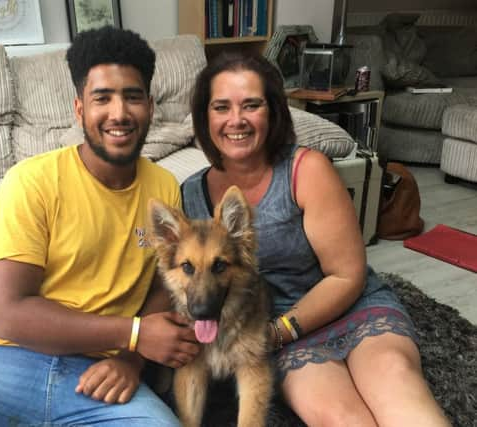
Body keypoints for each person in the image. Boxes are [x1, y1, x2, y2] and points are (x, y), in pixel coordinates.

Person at [0, 26, 199, 427]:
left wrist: (131, 360)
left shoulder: (164, 187)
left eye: (132, 97)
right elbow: (8, 314)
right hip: (4, 357)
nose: (119, 113)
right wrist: (133, 335)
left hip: (102, 373)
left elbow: (161, 284)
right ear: (80, 109)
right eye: (103, 98)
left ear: (150, 107)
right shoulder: (32, 181)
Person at [181, 51, 451, 427]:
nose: (236, 120)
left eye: (252, 105)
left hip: (350, 309)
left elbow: (346, 275)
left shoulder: (306, 170)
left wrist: (277, 332)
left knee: (398, 388)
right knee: (341, 418)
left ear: (273, 111)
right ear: (204, 116)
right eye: (221, 107)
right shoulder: (191, 196)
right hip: (279, 332)